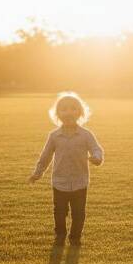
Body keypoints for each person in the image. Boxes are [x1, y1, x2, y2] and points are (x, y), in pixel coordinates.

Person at [29, 92, 104, 246]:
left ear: (80, 112)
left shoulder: (86, 135)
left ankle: (75, 237)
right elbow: (45, 156)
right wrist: (38, 173)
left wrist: (97, 158)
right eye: (64, 109)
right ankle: (60, 234)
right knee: (59, 212)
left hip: (80, 182)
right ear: (57, 114)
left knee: (79, 213)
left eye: (73, 109)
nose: (69, 112)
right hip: (59, 182)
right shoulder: (54, 136)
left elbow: (96, 149)